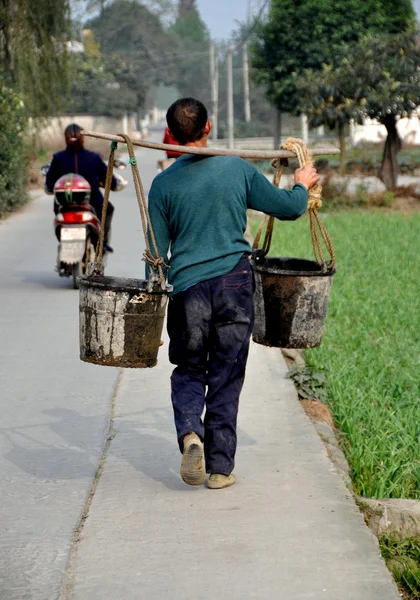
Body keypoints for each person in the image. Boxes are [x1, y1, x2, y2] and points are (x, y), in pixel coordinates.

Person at [147, 98, 320, 490]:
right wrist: (301, 184)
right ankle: (220, 469)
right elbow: (289, 208)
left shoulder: (163, 185)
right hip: (234, 283)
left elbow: (156, 258)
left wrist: (151, 317)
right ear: (208, 128)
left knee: (190, 368)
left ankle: (191, 434)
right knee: (227, 372)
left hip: (188, 289)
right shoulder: (235, 168)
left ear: (171, 136)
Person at [45, 123, 118, 252]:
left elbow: (50, 184)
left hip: (63, 203)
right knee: (108, 209)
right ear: (83, 138)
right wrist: (113, 184)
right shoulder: (93, 158)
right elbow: (108, 177)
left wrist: (52, 188)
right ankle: (102, 243)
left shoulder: (58, 158)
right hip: (93, 202)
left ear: (65, 138)